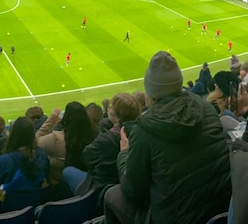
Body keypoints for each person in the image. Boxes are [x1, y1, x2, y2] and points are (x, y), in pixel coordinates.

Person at [104, 51, 231, 224]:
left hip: (177, 218)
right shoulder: (207, 108)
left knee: (111, 195)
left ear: (152, 93)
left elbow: (132, 192)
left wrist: (124, 153)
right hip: (218, 211)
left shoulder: (145, 129)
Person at [63, 93, 140, 195]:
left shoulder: (107, 139)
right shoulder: (139, 132)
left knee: (67, 171)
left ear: (117, 117)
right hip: (117, 181)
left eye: (112, 107)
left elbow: (86, 157)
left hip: (102, 185)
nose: (109, 108)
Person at [0, 117, 49, 201]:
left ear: (13, 135)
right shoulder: (41, 155)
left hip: (10, 207)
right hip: (35, 203)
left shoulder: (6, 160)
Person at [36, 101, 96, 187]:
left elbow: (34, 143)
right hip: (85, 184)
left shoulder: (56, 139)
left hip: (58, 186)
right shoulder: (95, 135)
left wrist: (51, 121)